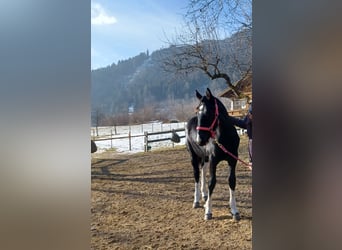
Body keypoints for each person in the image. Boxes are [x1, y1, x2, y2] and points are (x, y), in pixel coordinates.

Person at [229, 103, 252, 168]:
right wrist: (229, 118)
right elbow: (243, 124)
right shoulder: (248, 117)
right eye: (250, 114)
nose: (250, 115)